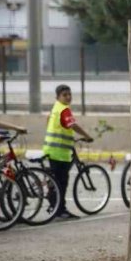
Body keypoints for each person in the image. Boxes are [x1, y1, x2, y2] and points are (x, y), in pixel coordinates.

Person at [43, 84, 93, 219]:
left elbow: (48, 119)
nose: (68, 97)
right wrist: (87, 136)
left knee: (57, 179)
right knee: (62, 181)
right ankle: (60, 210)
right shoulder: (64, 110)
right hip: (59, 151)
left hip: (52, 148)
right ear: (58, 97)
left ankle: (54, 204)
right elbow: (73, 125)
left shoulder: (56, 107)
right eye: (65, 95)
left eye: (69, 94)